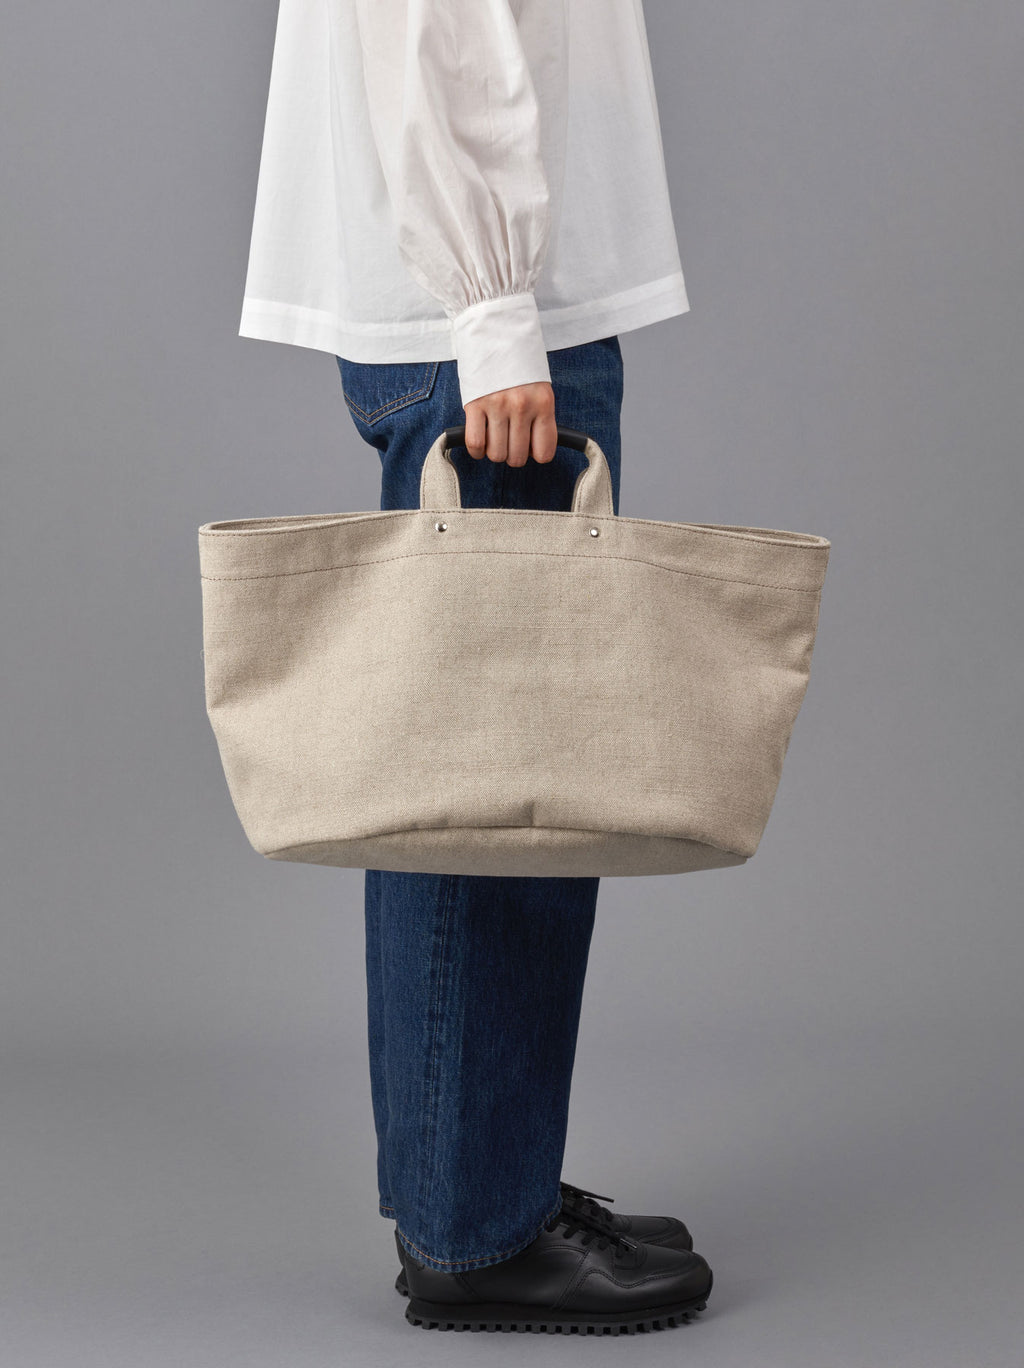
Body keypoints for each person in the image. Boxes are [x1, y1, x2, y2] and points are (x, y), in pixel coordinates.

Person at [237, 0, 713, 1335]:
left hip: (492, 310)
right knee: (499, 796)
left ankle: (480, 1184)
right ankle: (477, 1232)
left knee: (482, 780)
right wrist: (496, 310)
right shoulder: (493, 314)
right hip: (491, 327)